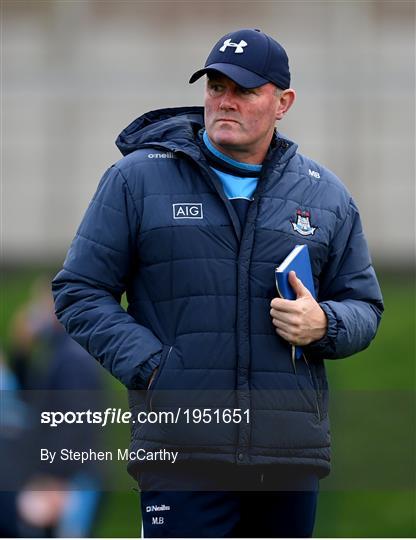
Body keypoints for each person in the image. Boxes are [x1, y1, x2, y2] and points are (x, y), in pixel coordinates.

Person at [52, 28, 384, 537]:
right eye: (215, 86)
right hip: (182, 450)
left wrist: (325, 323)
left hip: (288, 456)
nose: (224, 101)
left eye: (244, 90)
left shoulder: (327, 197)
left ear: (283, 102)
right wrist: (155, 369)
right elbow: (79, 290)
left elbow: (365, 306)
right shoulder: (137, 179)